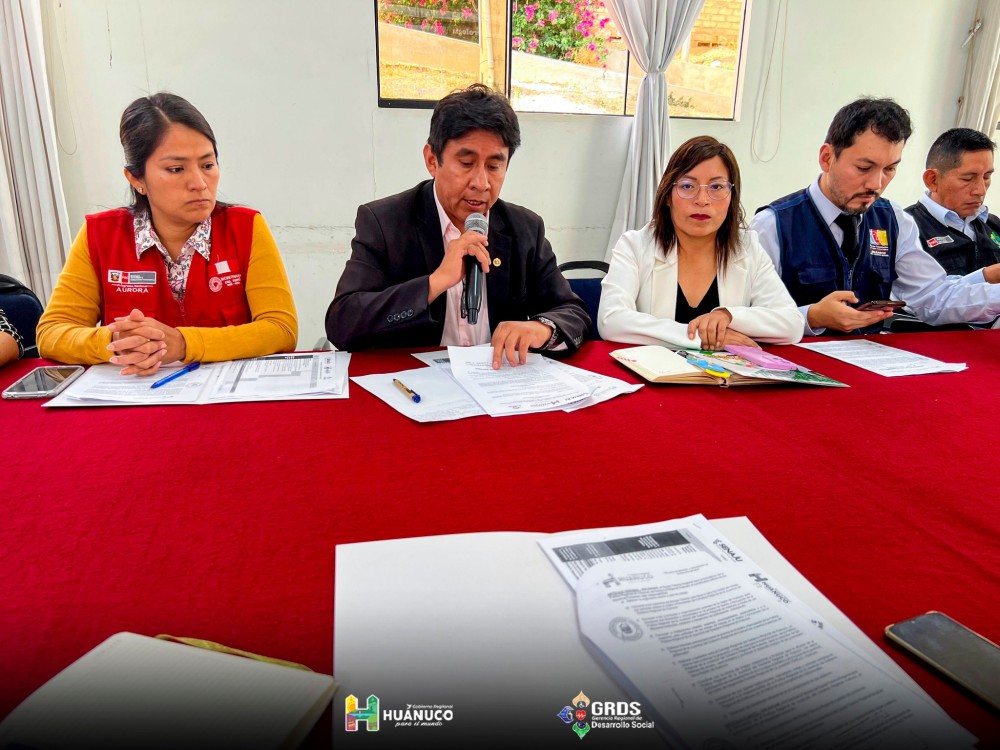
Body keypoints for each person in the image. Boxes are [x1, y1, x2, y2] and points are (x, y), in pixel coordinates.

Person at [326, 83, 591, 368]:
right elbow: (343, 324)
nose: (481, 183)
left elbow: (573, 312)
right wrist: (435, 282)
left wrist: (542, 328)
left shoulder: (524, 228)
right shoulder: (385, 222)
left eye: (494, 166)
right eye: (466, 163)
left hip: (497, 380)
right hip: (417, 382)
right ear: (432, 160)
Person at [37, 93, 297, 375]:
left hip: (227, 393)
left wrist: (185, 343)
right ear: (136, 179)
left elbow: (280, 329)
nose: (199, 183)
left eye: (207, 165)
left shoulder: (245, 227)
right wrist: (116, 341)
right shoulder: (101, 234)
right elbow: (51, 333)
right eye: (176, 169)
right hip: (138, 392)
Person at [750, 97, 1000, 336]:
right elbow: (743, 316)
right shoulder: (773, 225)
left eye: (890, 169)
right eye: (864, 168)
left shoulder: (894, 221)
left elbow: (933, 298)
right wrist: (811, 317)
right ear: (827, 158)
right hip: (794, 359)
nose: (876, 184)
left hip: (870, 356)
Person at [598, 136, 803, 350]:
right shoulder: (635, 246)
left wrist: (729, 316)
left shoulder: (747, 247)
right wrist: (700, 337)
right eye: (687, 186)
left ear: (731, 196)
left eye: (716, 187)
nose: (702, 200)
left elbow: (792, 324)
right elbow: (611, 320)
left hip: (725, 371)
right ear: (667, 196)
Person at [905, 128, 1000, 276]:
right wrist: (988, 276)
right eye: (968, 179)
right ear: (932, 180)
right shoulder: (905, 228)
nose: (981, 190)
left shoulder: (994, 224)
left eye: (986, 177)